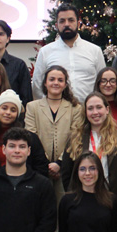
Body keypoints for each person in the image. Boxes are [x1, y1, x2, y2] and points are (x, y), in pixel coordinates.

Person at [27, 65, 84, 199]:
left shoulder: (75, 108)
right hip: (39, 168)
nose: (56, 83)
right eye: (52, 79)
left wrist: (59, 163)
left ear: (65, 84)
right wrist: (45, 163)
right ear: (45, 83)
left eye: (60, 80)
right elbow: (31, 136)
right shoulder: (32, 107)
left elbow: (75, 136)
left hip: (66, 168)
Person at [0, 90, 50, 184]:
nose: (8, 112)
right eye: (4, 108)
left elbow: (41, 168)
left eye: (13, 110)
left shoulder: (31, 139)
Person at [61, 93, 117, 193]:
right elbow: (66, 174)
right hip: (81, 198)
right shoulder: (74, 138)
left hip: (111, 198)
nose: (95, 112)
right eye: (90, 108)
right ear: (85, 112)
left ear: (107, 110)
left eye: (99, 107)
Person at [32, 3, 105, 101]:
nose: (66, 24)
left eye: (71, 20)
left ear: (78, 24)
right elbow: (37, 86)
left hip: (87, 112)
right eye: (62, 21)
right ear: (57, 26)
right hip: (56, 112)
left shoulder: (95, 51)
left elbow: (102, 83)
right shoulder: (45, 52)